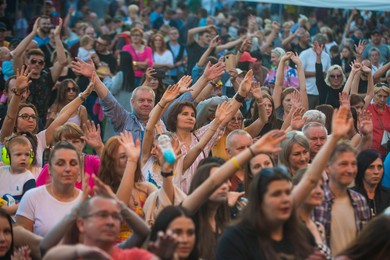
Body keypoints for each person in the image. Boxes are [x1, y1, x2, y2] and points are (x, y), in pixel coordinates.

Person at [0, 66, 95, 167]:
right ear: (15, 120)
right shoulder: (7, 137)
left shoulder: (39, 139)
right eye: (25, 116)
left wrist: (84, 95)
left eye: (33, 117)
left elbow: (62, 116)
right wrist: (18, 92)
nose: (31, 119)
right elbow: (10, 117)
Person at [313, 142, 371, 255]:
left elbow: (365, 244)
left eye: (354, 164)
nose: (350, 170)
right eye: (343, 164)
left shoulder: (360, 201)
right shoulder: (315, 201)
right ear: (327, 168)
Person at [16, 142, 83, 237]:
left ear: (79, 169)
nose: (68, 169)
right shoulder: (31, 198)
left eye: (73, 163)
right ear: (49, 169)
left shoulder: (86, 202)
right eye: (60, 163)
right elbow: (21, 241)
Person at [12, 18, 66, 123]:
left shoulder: (47, 76)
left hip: (39, 122)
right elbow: (16, 54)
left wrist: (56, 37)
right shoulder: (22, 74)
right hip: (20, 120)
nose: (37, 64)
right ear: (27, 62)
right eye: (33, 61)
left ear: (43, 65)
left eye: (40, 62)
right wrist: (33, 33)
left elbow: (62, 61)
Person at [36, 122, 102, 193]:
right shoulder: (50, 168)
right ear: (59, 144)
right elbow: (36, 195)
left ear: (83, 143)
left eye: (75, 141)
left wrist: (100, 148)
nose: (70, 146)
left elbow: (112, 174)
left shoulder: (92, 161)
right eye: (65, 142)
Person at [102, 51, 135, 141]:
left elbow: (112, 89)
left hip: (118, 106)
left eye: (119, 58)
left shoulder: (121, 74)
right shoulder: (130, 74)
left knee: (115, 135)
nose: (117, 60)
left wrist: (107, 78)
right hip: (126, 107)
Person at [0, 136, 36, 215]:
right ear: (8, 156)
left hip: (16, 219)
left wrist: (10, 209)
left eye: (27, 154)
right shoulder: (1, 171)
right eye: (18, 154)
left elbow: (29, 202)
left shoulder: (28, 178)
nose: (23, 158)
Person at [352, 149, 390, 217]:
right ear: (361, 169)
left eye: (379, 167)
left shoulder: (388, 195)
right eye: (371, 167)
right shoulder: (351, 196)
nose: (376, 172)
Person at [299, 34, 331, 109]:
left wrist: (325, 74)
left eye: (322, 45)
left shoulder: (326, 56)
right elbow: (300, 72)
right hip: (308, 91)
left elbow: (329, 72)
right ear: (313, 43)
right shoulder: (304, 54)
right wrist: (318, 74)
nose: (320, 47)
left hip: (322, 92)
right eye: (317, 44)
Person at [315, 41, 346, 107]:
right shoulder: (324, 88)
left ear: (342, 77)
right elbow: (319, 74)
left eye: (338, 76)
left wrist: (358, 56)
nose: (336, 78)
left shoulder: (346, 88)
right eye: (332, 76)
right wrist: (318, 56)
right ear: (328, 77)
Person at [366, 84, 390, 157]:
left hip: (386, 152)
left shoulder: (389, 110)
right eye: (379, 96)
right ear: (373, 95)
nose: (382, 99)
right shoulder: (367, 108)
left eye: (385, 97)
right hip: (369, 151)